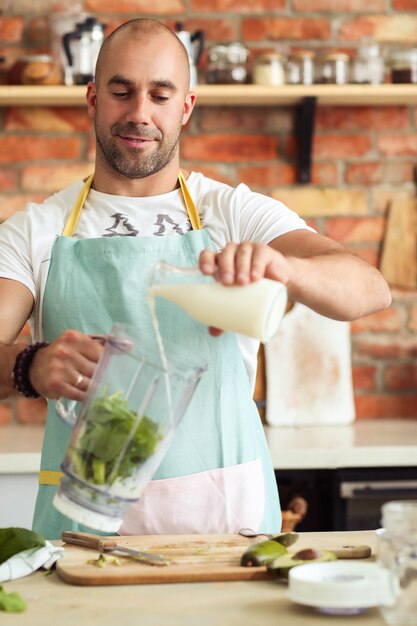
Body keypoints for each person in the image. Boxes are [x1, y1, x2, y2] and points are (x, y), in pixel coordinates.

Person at [0, 18, 391, 540]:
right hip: (83, 542)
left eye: (160, 95)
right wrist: (30, 364)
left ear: (185, 107)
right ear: (92, 99)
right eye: (121, 92)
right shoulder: (36, 230)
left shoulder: (231, 211)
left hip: (228, 534)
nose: (140, 113)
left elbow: (369, 289)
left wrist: (285, 268)